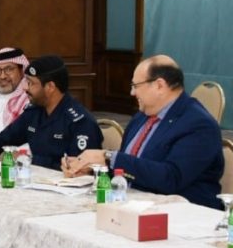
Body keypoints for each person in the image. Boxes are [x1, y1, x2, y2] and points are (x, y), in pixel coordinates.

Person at [65, 55, 224, 209]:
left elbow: (171, 178)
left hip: (183, 214)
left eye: (136, 86)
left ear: (159, 85)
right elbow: (129, 168)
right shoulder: (142, 116)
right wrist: (93, 168)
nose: (132, 93)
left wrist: (108, 157)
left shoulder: (198, 124)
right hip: (132, 204)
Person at [0, 55, 102, 169]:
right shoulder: (34, 112)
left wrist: (27, 159)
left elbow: (79, 167)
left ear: (50, 87)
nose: (25, 88)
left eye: (31, 83)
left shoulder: (80, 122)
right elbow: (4, 139)